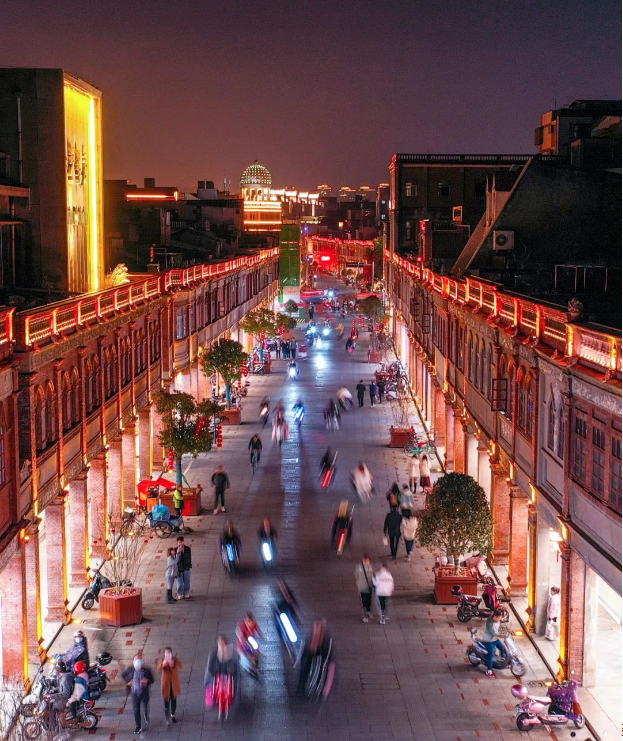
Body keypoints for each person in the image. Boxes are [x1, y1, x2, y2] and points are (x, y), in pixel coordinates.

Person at [297, 620, 332, 695]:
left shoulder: (326, 643)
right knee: (306, 666)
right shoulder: (309, 640)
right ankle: (301, 688)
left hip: (320, 651)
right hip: (310, 651)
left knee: (319, 668)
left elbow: (326, 663)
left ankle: (317, 689)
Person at [122, 655, 154, 734]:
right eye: (136, 661)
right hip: (134, 693)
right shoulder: (130, 669)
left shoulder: (147, 670)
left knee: (145, 705)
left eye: (139, 661)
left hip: (144, 692)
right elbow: (123, 675)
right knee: (136, 710)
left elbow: (152, 680)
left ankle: (146, 714)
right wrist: (128, 682)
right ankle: (138, 726)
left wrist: (147, 681)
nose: (138, 663)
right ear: (133, 662)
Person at [204, 636, 240, 706]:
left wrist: (226, 656)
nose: (221, 645)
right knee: (208, 678)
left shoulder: (232, 652)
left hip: (229, 672)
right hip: (216, 671)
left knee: (237, 680)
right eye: (220, 643)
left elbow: (235, 665)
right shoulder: (213, 652)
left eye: (222, 643)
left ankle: (235, 698)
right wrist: (213, 672)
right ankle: (209, 696)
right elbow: (210, 664)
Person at [157, 648, 183, 725]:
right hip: (166, 685)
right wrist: (163, 664)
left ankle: (173, 715)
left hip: (174, 684)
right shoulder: (162, 660)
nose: (168, 654)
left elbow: (181, 665)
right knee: (166, 701)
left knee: (174, 700)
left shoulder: (175, 659)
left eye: (169, 652)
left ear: (171, 653)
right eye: (166, 653)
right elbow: (159, 669)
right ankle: (167, 716)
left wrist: (173, 663)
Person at [481, 610, 506, 677]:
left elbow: (502, 626)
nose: (499, 619)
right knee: (491, 653)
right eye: (499, 618)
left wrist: (506, 632)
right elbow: (491, 631)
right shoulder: (489, 622)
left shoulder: (498, 620)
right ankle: (489, 670)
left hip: (495, 640)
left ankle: (502, 661)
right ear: (495, 617)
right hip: (488, 641)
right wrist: (498, 636)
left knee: (503, 648)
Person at [355, 554, 375, 623]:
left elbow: (356, 576)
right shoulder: (371, 567)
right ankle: (367, 612)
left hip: (362, 587)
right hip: (368, 586)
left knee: (364, 601)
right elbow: (373, 576)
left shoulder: (359, 567)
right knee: (368, 600)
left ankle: (366, 614)